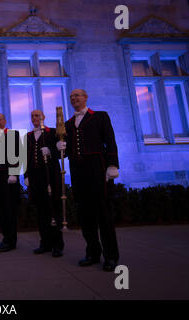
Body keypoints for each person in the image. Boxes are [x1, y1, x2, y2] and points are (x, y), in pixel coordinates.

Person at [57, 89, 120, 271]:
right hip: (78, 172)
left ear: (85, 98)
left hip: (98, 170)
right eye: (71, 97)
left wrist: (113, 164)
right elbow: (68, 151)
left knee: (104, 215)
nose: (74, 98)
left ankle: (111, 256)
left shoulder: (100, 117)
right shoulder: (68, 124)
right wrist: (59, 147)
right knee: (86, 217)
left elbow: (110, 140)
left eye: (77, 95)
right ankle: (92, 252)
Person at [24, 110, 64, 257]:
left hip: (50, 176)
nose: (34, 118)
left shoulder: (53, 132)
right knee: (41, 211)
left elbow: (62, 152)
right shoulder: (28, 136)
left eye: (37, 115)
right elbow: (26, 157)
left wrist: (52, 150)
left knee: (53, 209)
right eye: (32, 116)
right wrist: (26, 175)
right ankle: (45, 243)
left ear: (43, 117)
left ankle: (57, 245)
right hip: (35, 179)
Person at [0, 113, 21, 252]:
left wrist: (13, 172)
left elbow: (17, 154)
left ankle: (11, 241)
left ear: (5, 121)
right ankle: (5, 238)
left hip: (8, 176)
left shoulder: (12, 134)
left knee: (9, 209)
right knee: (1, 208)